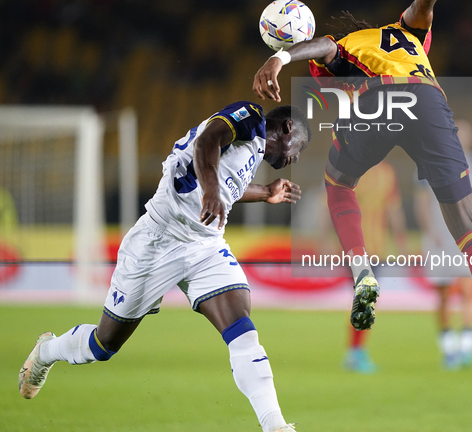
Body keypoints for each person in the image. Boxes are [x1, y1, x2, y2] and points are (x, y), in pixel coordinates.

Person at [253, 0, 472, 391]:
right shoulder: (410, 37)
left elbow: (325, 45)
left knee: (338, 183)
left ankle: (361, 268)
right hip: (428, 101)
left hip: (380, 101)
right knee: (469, 227)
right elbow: (424, 4)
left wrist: (283, 58)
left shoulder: (352, 46)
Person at [18, 101, 311, 432]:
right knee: (103, 345)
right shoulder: (251, 118)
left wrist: (265, 192)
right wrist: (211, 190)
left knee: (242, 330)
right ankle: (48, 350)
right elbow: (206, 141)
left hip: (205, 245)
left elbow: (227, 185)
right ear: (288, 128)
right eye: (300, 147)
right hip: (157, 241)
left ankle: (275, 426)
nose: (296, 158)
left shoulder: (253, 151)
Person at [414, 119, 472, 369]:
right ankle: (449, 349)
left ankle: (467, 349)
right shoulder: (428, 163)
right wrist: (430, 231)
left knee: (470, 291)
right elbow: (421, 203)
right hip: (439, 241)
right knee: (442, 296)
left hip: (470, 239)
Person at [342, 160, 408, 373]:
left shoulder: (387, 172)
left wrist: (400, 241)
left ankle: (356, 351)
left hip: (376, 248)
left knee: (364, 298)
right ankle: (355, 352)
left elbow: (393, 209)